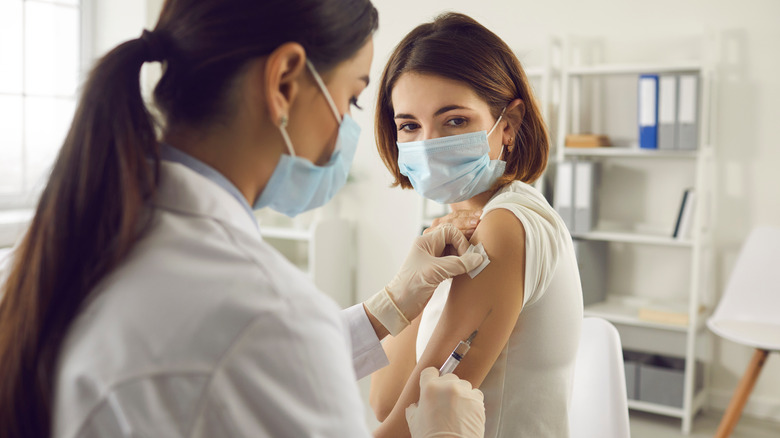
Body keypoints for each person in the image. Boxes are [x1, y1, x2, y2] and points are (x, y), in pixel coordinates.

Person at [0, 1, 488, 437]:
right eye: (352, 97)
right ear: (284, 81)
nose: (348, 124)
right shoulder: (267, 315)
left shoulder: (58, 250)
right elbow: (258, 351)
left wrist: (392, 304)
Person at [369, 12, 584, 438]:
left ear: (509, 123)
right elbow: (383, 401)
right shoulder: (448, 233)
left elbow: (402, 428)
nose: (427, 145)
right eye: (409, 125)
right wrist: (408, 292)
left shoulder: (505, 226)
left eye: (454, 120)